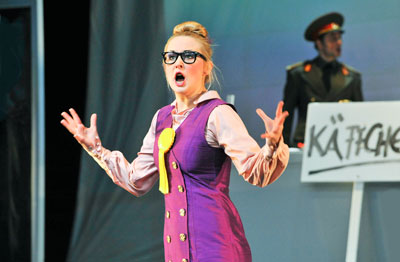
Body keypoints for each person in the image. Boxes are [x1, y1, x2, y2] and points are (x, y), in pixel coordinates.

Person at [61, 21, 289, 262]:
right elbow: (137, 181)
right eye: (171, 56)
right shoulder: (161, 118)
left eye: (189, 56)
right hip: (177, 248)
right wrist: (95, 148)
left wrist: (272, 146)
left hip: (215, 244)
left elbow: (256, 172)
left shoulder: (217, 113)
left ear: (206, 69)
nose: (178, 62)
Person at [283, 12, 363, 148]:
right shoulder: (299, 74)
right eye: (333, 39)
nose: (338, 43)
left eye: (339, 38)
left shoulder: (351, 76)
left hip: (342, 144)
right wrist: (283, 150)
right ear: (319, 43)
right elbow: (286, 115)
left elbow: (361, 117)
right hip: (306, 143)